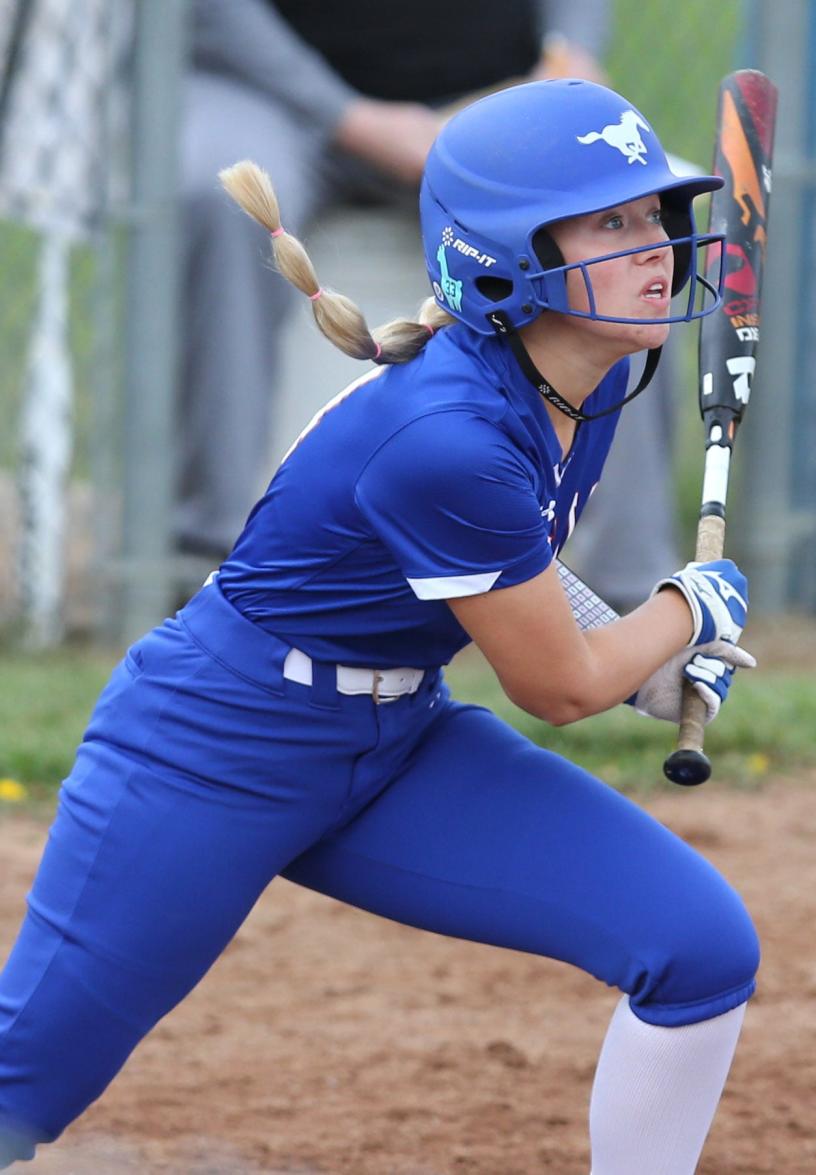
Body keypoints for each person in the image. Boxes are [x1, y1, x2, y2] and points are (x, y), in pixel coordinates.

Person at [0, 80, 759, 1173]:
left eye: (654, 218)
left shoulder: (594, 374)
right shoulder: (446, 434)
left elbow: (513, 567)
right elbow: (559, 687)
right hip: (214, 746)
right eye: (612, 222)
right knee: (24, 1088)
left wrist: (652, 657)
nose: (657, 249)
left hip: (399, 744)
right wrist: (682, 612)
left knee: (698, 947)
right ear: (504, 255)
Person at [177, 0, 611, 563]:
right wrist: (349, 117)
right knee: (224, 203)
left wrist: (570, 51)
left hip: (492, 100)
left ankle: (615, 586)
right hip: (270, 96)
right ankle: (214, 565)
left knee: (619, 226)